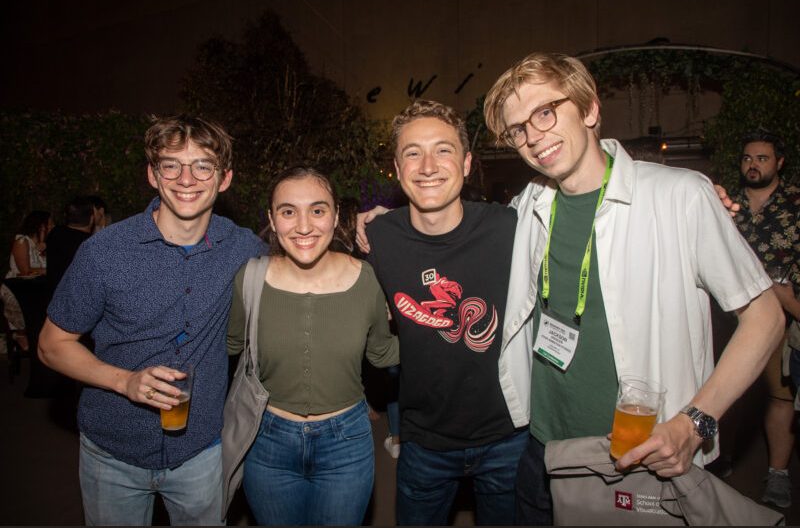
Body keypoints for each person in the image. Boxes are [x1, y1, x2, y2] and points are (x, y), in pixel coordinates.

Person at [482, 51, 784, 524]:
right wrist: (378, 221)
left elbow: (765, 316)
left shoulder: (679, 196)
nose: (532, 137)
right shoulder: (527, 205)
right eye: (518, 128)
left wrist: (695, 422)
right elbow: (455, 228)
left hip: (640, 454)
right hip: (541, 448)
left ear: (590, 110)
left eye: (545, 112)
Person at [38, 115, 266, 526]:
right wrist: (125, 381)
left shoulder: (242, 245)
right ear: (152, 174)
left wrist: (368, 226)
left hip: (201, 451)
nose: (186, 178)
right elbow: (51, 346)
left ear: (225, 178)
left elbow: (304, 252)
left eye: (203, 165)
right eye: (171, 164)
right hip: (113, 452)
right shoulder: (104, 252)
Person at [360, 100, 528, 526]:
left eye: (444, 149)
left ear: (468, 163)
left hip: (509, 438)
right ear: (397, 170)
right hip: (424, 442)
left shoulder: (510, 227)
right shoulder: (376, 238)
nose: (428, 165)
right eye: (413, 152)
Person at [226, 166, 398, 525]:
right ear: (272, 220)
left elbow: (382, 352)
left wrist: (443, 342)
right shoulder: (251, 278)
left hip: (346, 442)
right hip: (267, 440)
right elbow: (226, 347)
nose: (304, 226)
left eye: (317, 210)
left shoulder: (365, 278)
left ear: (336, 216)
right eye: (288, 211)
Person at [730, 130, 800, 508]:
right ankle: (719, 461)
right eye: (747, 158)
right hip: (728, 317)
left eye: (762, 158)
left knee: (779, 397)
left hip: (778, 318)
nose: (752, 165)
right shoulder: (726, 203)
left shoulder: (795, 204)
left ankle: (778, 475)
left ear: (779, 163)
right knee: (728, 390)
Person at [1, 210, 53, 350]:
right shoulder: (22, 241)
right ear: (42, 226)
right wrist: (49, 270)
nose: (52, 227)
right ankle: (20, 334)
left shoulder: (44, 245)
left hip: (37, 288)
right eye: (50, 224)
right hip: (18, 289)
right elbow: (25, 271)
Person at [45, 196, 96, 295]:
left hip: (54, 297)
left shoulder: (55, 233)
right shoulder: (91, 243)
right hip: (78, 299)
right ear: (91, 218)